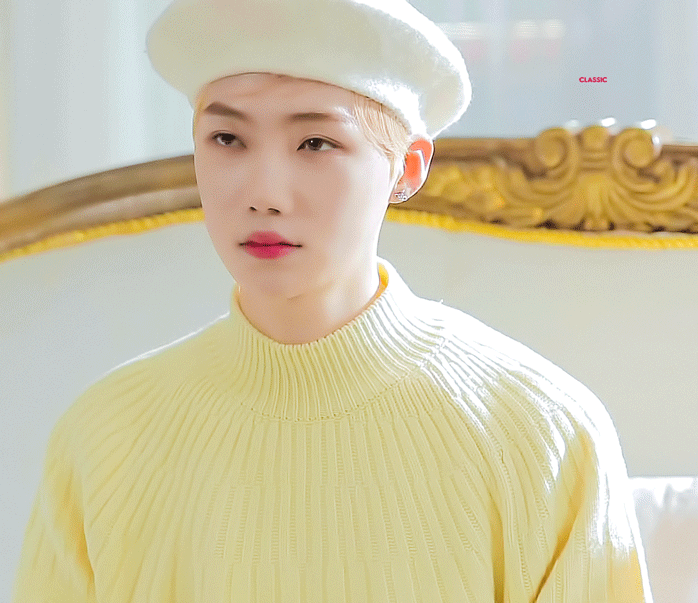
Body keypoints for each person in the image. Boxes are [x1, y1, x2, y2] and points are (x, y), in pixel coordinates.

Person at [13, 0, 654, 601]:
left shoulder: (543, 434)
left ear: (408, 167)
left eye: (316, 143)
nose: (265, 195)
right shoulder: (103, 438)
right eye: (227, 139)